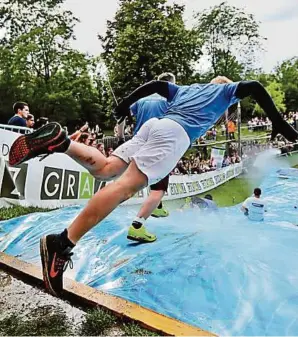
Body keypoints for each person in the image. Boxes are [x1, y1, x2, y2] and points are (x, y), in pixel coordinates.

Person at [9, 75, 298, 296]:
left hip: (154, 126)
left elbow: (159, 85)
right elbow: (256, 86)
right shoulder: (224, 91)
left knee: (107, 170)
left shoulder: (186, 89)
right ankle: (61, 243)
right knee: (124, 188)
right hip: (173, 134)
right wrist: (280, 123)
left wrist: (123, 104)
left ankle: (63, 143)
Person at [125, 72, 176, 243]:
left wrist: (119, 135)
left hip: (138, 141)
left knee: (148, 177)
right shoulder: (170, 100)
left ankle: (157, 207)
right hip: (158, 144)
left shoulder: (141, 99)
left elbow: (124, 115)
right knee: (159, 189)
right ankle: (137, 226)